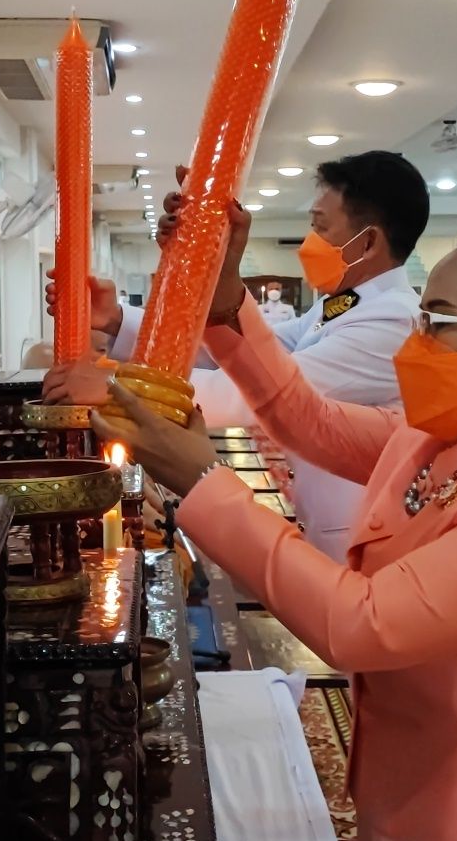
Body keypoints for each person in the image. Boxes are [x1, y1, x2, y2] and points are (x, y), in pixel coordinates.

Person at [79, 215, 457, 841]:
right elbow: (308, 420)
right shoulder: (433, 439)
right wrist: (225, 306)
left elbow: (362, 623)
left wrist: (204, 481)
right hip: (400, 805)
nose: (411, 345)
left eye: (437, 323)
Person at [52, 150, 428, 562]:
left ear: (368, 242)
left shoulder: (391, 320)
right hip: (331, 521)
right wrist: (118, 319)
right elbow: (243, 355)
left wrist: (115, 387)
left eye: (321, 227)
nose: (311, 241)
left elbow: (256, 393)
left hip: (363, 536)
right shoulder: (342, 304)